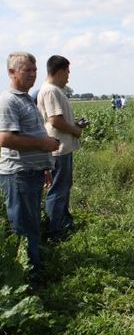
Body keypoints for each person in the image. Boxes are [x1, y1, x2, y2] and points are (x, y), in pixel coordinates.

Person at [0, 52, 59, 281]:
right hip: (18, 174)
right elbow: (5, 139)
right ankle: (27, 280)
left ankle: (34, 271)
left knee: (32, 224)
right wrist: (44, 144)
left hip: (31, 172)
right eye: (27, 71)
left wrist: (43, 166)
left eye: (35, 71)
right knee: (24, 229)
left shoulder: (25, 98)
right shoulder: (8, 100)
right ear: (12, 72)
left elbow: (29, 133)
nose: (33, 75)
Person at [37, 55, 86, 241]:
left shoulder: (55, 90)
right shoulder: (50, 91)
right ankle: (56, 232)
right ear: (59, 71)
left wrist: (75, 126)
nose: (68, 76)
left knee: (63, 187)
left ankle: (64, 223)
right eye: (67, 71)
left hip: (63, 147)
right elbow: (55, 120)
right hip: (57, 149)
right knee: (58, 190)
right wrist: (75, 130)